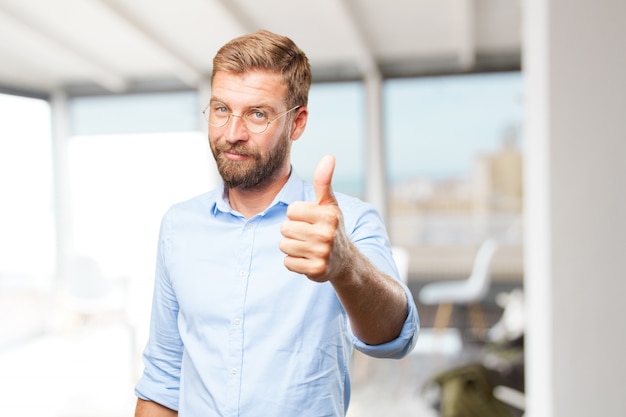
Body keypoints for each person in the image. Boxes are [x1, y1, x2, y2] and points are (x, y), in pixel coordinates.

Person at [134, 29, 419, 417]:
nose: (232, 134)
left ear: (297, 123)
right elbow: (164, 377)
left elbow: (394, 338)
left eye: (257, 114)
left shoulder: (345, 223)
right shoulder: (179, 225)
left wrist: (345, 265)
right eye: (221, 110)